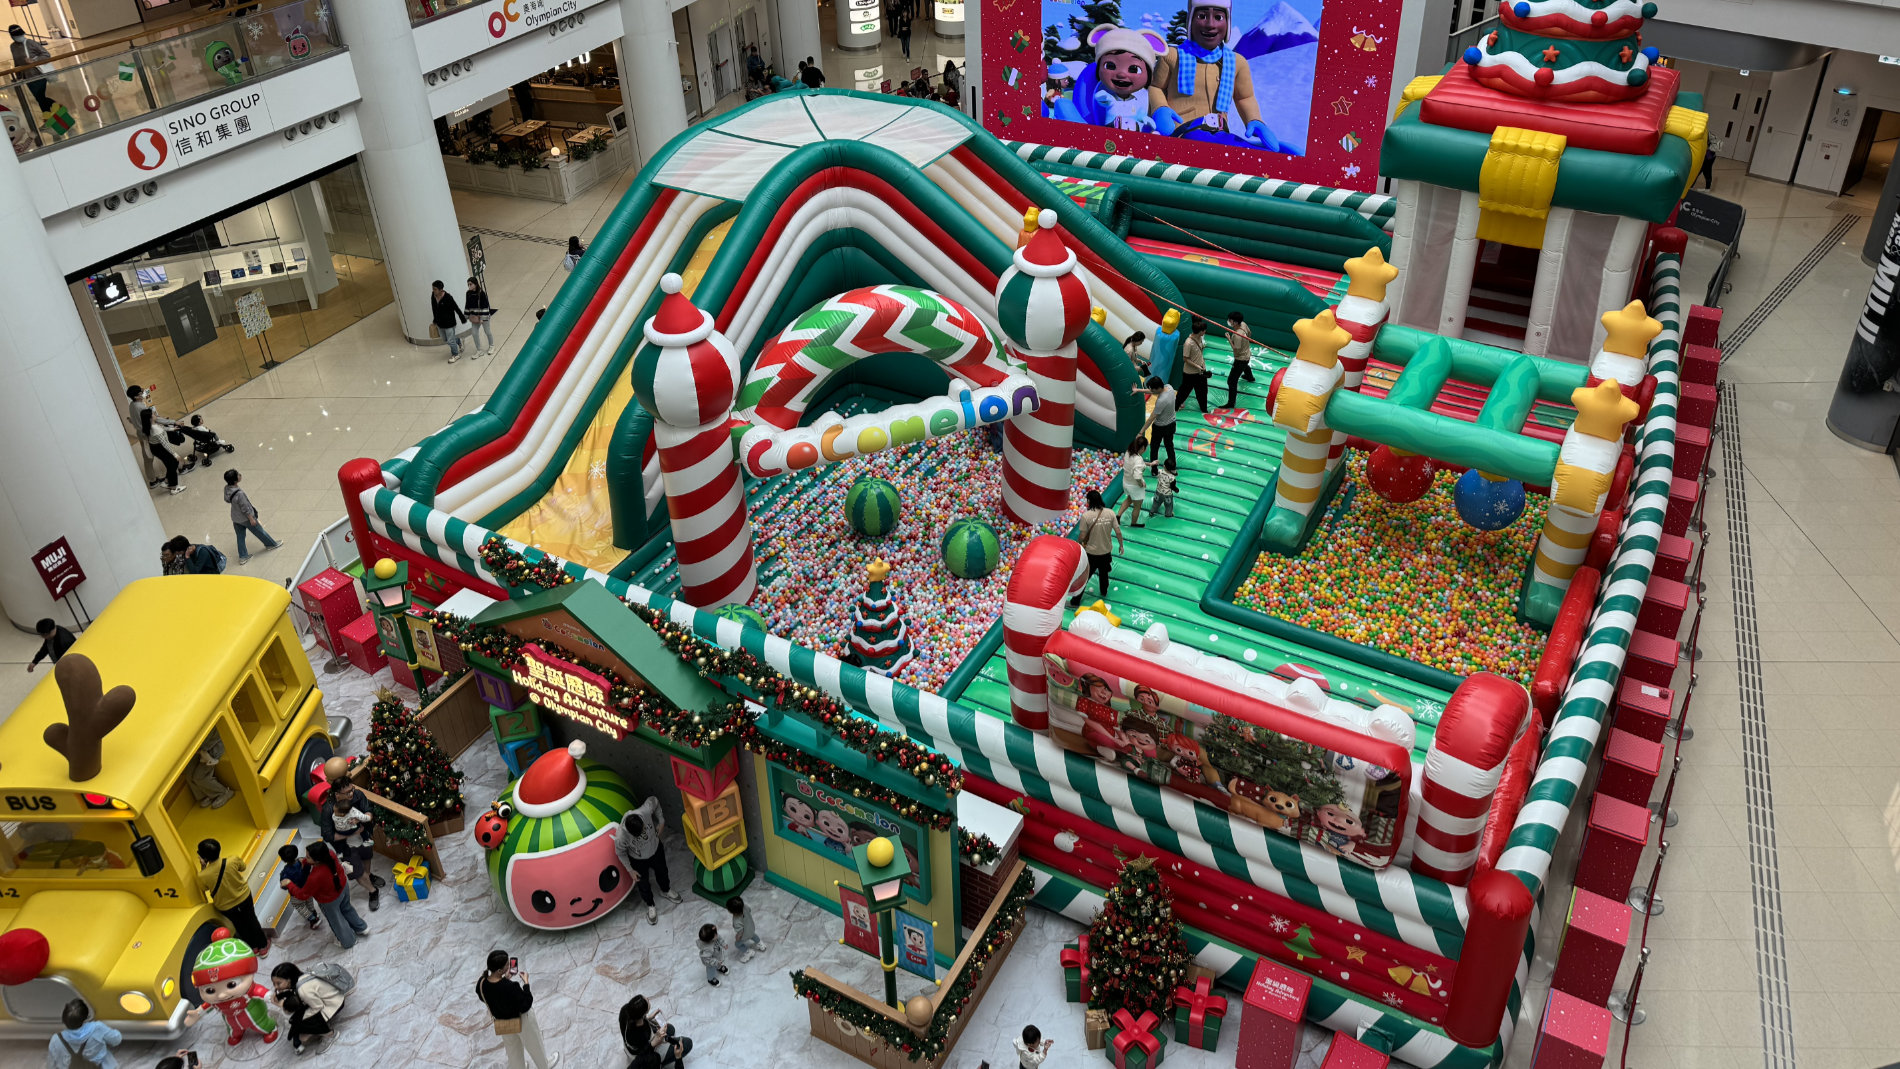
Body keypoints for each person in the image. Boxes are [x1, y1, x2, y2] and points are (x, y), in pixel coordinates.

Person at [477, 950, 560, 1069]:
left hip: (503, 1023)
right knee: (535, 1046)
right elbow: (526, 1003)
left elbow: (488, 996)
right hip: (522, 1020)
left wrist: (504, 979)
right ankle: (544, 1066)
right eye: (507, 965)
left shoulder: (481, 983)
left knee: (513, 1051)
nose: (510, 966)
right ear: (500, 970)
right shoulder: (511, 987)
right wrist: (526, 982)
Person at [284, 842, 369, 949]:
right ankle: (361, 928)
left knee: (337, 921)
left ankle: (349, 941)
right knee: (347, 908)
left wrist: (289, 884)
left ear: (317, 860)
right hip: (343, 888)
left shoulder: (315, 876)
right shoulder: (330, 853)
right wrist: (305, 861)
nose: (305, 858)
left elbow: (303, 895)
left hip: (329, 901)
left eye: (308, 857)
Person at [196, 839, 271, 957]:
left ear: (203, 857)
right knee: (252, 919)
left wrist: (203, 868)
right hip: (243, 897)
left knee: (240, 926)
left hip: (225, 906)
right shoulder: (232, 860)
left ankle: (253, 948)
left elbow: (203, 888)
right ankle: (263, 947)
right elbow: (243, 867)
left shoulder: (202, 875)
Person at [319, 779, 385, 909]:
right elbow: (327, 835)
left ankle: (369, 875)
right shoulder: (328, 809)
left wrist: (364, 818)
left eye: (352, 790)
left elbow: (368, 811)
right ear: (337, 795)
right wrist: (350, 834)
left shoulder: (358, 795)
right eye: (347, 793)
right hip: (345, 847)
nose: (351, 794)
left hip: (363, 837)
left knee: (366, 857)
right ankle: (372, 891)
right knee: (356, 873)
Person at [614, 798, 682, 925]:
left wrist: (661, 821)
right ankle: (650, 904)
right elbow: (620, 853)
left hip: (656, 850)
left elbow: (654, 800)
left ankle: (666, 890)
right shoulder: (621, 837)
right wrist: (630, 870)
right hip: (638, 860)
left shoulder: (644, 811)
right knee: (643, 883)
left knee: (662, 871)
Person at [270, 962, 345, 1054]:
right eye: (274, 984)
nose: (276, 987)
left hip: (333, 1004)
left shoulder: (303, 990)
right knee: (299, 1018)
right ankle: (313, 1029)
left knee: (299, 1021)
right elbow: (294, 992)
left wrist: (297, 1016)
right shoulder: (300, 978)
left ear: (289, 980)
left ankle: (330, 1035)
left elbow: (318, 1007)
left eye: (278, 983)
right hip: (329, 997)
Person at [126, 385, 185, 495]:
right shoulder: (142, 408)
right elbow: (157, 423)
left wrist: (171, 427)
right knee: (167, 459)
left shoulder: (132, 405)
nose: (144, 393)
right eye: (141, 392)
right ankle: (170, 483)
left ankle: (154, 480)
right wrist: (173, 422)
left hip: (143, 433)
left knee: (148, 456)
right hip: (148, 435)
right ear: (136, 396)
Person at [1068, 489, 1123, 608]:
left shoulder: (1086, 516)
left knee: (1085, 577)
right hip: (1106, 551)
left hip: (1091, 553)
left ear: (1089, 501)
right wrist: (1121, 545)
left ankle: (1075, 601)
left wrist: (1079, 545)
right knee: (1104, 574)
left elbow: (1082, 536)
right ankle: (1104, 591)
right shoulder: (1110, 513)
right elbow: (1118, 531)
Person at [223, 470, 280, 564]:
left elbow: (227, 500)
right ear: (235, 480)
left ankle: (243, 556)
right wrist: (251, 519)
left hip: (235, 518)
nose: (240, 475)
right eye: (238, 475)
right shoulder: (239, 494)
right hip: (246, 518)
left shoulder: (226, 488)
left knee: (240, 537)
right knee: (259, 531)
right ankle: (271, 544)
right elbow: (245, 508)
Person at [619, 994, 691, 1069]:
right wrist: (654, 1043)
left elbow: (638, 1021)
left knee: (670, 1029)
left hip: (634, 1049)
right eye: (647, 1000)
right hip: (646, 1055)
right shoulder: (641, 1036)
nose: (648, 998)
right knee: (687, 1044)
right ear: (644, 1012)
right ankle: (661, 1063)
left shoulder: (625, 1011)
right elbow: (642, 1054)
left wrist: (648, 1018)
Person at [47, 1000, 122, 1069]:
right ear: (85, 1017)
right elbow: (116, 1040)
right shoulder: (97, 1028)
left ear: (64, 1020)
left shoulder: (56, 1040)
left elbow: (51, 1065)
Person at [8, 26, 55, 115]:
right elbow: (16, 62)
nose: (19, 37)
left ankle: (51, 111)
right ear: (12, 37)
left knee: (40, 97)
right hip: (27, 77)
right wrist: (18, 76)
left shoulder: (31, 43)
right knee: (39, 98)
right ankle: (50, 115)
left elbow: (46, 54)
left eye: (20, 34)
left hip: (38, 74)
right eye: (16, 35)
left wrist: (34, 60)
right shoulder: (13, 46)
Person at [277, 843, 323, 931]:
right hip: (307, 888)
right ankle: (314, 912)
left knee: (300, 907)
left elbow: (284, 886)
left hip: (296, 894)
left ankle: (313, 919)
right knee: (309, 902)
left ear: (283, 859)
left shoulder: (285, 872)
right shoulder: (303, 862)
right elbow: (308, 868)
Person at [1115, 438, 1155, 528]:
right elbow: (1137, 475)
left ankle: (1118, 516)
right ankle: (1133, 523)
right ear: (1142, 448)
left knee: (1129, 499)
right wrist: (1141, 484)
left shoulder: (1128, 452)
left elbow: (1137, 464)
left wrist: (1150, 464)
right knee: (1137, 506)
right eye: (1145, 448)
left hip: (1126, 482)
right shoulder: (1138, 459)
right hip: (1135, 486)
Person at [1223, 311, 1255, 409]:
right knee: (1245, 365)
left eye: (1230, 320)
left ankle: (1231, 403)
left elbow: (1236, 350)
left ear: (1235, 322)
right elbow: (1250, 333)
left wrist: (1229, 338)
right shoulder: (1243, 324)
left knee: (1231, 381)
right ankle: (1250, 377)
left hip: (1240, 359)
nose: (1228, 321)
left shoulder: (1237, 335)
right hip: (1247, 355)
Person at [430, 280, 467, 363]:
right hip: (440, 323)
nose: (433, 291)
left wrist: (462, 318)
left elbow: (456, 308)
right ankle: (459, 341)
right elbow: (434, 309)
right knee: (445, 339)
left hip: (449, 323)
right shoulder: (433, 296)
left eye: (435, 289)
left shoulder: (448, 297)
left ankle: (456, 354)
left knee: (450, 340)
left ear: (441, 289)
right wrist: (435, 320)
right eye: (433, 289)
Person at [1143, 376, 1178, 466]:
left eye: (1153, 390)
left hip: (1160, 427)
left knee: (1154, 447)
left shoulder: (1161, 401)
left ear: (1158, 388)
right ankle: (1172, 465)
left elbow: (1152, 417)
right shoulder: (1169, 387)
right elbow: (1152, 391)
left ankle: (1154, 469)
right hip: (1172, 423)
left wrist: (1141, 431)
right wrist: (1139, 390)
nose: (1152, 392)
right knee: (1169, 446)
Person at [726, 894, 767, 963]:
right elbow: (749, 910)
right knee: (753, 935)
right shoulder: (745, 907)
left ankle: (748, 952)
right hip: (751, 927)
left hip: (745, 934)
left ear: (733, 912)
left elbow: (740, 931)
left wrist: (737, 938)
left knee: (737, 944)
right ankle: (760, 944)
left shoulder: (736, 921)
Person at [1181, 317, 1211, 411]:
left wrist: (1203, 365)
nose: (1205, 332)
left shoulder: (1200, 339)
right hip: (1190, 372)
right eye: (1204, 330)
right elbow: (1185, 358)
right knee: (1186, 390)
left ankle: (1204, 408)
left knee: (1203, 391)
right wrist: (1197, 366)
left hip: (1200, 370)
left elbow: (1200, 353)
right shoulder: (1188, 343)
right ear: (1200, 331)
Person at [465, 276, 495, 358]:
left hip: (483, 316)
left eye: (470, 284)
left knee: (487, 331)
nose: (469, 286)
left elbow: (485, 306)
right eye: (468, 284)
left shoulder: (481, 293)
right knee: (474, 333)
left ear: (475, 284)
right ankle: (479, 350)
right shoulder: (468, 293)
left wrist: (482, 318)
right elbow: (467, 305)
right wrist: (466, 316)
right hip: (474, 317)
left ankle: (492, 346)